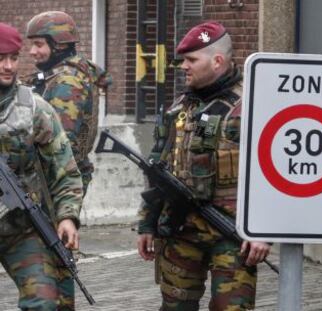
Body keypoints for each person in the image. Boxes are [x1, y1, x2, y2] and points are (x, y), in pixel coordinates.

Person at [137, 21, 271, 310]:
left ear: (218, 60)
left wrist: (264, 230)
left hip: (232, 234)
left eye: (191, 60)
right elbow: (157, 170)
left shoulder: (252, 106)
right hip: (180, 228)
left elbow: (273, 173)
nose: (183, 66)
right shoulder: (178, 109)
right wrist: (147, 224)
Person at [0, 23, 83, 310]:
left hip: (21, 230)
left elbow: (63, 168)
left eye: (13, 57)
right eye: (1, 58)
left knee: (46, 301)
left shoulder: (34, 109)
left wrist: (68, 217)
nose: (8, 66)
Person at [25, 11, 112, 196]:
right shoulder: (62, 74)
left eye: (38, 44)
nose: (32, 51)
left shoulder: (66, 82)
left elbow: (60, 145)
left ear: (59, 45)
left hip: (55, 181)